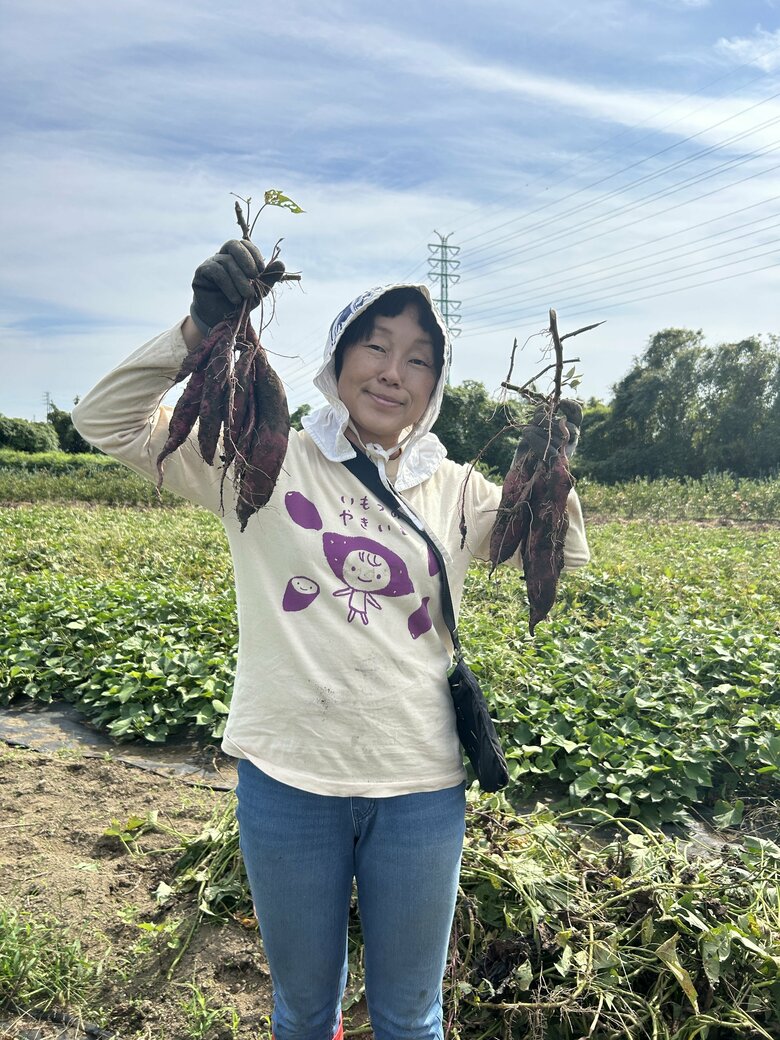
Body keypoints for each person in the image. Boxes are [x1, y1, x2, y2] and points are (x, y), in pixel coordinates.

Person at [72, 239, 590, 1040]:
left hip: (419, 786)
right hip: (289, 781)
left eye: (418, 360)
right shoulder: (261, 456)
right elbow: (104, 419)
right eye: (375, 347)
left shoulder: (455, 487)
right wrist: (199, 332)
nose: (393, 371)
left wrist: (550, 468)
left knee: (412, 1018)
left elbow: (564, 555)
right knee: (304, 1013)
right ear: (337, 359)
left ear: (434, 387)